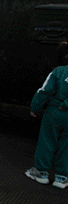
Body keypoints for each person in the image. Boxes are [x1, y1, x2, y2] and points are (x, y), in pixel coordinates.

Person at [25, 42, 68, 189]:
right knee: (66, 146)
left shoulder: (58, 72)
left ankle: (41, 173)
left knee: (47, 141)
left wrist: (35, 108)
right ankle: (62, 178)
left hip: (54, 112)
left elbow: (44, 92)